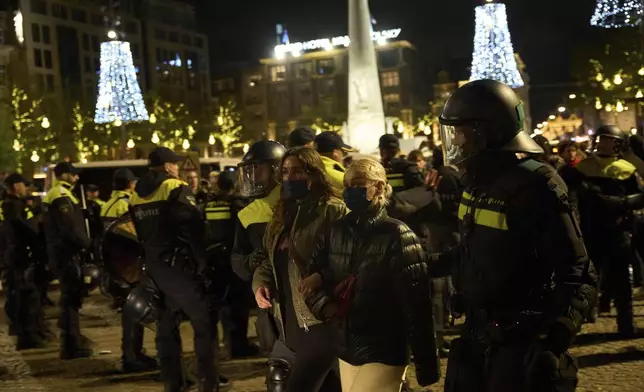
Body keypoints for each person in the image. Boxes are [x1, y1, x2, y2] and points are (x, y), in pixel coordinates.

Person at [428, 80, 597, 391]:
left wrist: (552, 339)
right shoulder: (476, 184)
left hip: (519, 338)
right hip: (477, 334)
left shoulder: (536, 183)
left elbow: (578, 269)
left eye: (461, 132)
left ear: (487, 132)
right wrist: (422, 263)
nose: (457, 141)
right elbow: (472, 250)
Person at [302, 158, 440, 392]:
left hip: (384, 347)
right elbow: (308, 279)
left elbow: (417, 303)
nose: (349, 190)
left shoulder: (398, 234)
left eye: (357, 183)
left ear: (378, 187)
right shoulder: (335, 230)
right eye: (346, 184)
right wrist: (326, 307)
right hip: (346, 346)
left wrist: (426, 364)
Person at [252, 147, 348, 392]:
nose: (290, 177)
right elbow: (268, 260)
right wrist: (259, 284)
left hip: (321, 319)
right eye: (285, 171)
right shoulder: (282, 213)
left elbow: (350, 258)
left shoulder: (332, 209)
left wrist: (322, 276)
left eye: (298, 171)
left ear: (314, 174)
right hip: (289, 321)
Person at [127, 147, 220, 391]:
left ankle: (173, 383)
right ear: (168, 166)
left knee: (166, 329)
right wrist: (201, 262)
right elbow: (192, 227)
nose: (178, 168)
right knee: (203, 324)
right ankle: (208, 383)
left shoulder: (136, 194)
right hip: (180, 268)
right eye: (175, 164)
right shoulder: (174, 187)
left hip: (154, 270)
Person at [568, 125, 642, 336]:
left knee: (621, 282)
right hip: (591, 230)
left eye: (609, 140)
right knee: (588, 278)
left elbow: (639, 196)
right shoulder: (583, 168)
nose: (603, 143)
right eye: (601, 139)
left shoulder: (627, 170)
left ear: (617, 143)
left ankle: (625, 324)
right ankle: (580, 318)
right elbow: (566, 192)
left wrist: (621, 202)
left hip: (618, 230)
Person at [231, 140, 286, 357]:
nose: (252, 177)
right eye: (249, 171)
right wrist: (249, 262)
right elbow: (237, 256)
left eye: (258, 170)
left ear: (276, 169)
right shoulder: (247, 213)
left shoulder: (297, 202)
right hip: (268, 300)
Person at [100, 168, 158, 372]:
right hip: (130, 265)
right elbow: (133, 235)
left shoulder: (108, 204)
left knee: (129, 311)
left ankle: (133, 353)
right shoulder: (126, 204)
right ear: (130, 184)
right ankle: (132, 356)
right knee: (134, 311)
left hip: (115, 265)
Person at [43, 162, 93, 359]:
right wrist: (87, 244)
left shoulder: (57, 194)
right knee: (71, 298)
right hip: (66, 253)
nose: (77, 178)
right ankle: (71, 343)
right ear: (63, 175)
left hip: (59, 252)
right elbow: (70, 228)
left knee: (70, 297)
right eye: (73, 174)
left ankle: (71, 339)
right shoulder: (61, 196)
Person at [1, 173, 47, 349]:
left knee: (29, 295)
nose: (26, 188)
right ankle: (27, 335)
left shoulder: (16, 204)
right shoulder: (10, 205)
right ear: (14, 186)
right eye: (23, 184)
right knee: (26, 295)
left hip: (20, 254)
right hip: (19, 255)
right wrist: (35, 241)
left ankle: (33, 331)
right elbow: (20, 228)